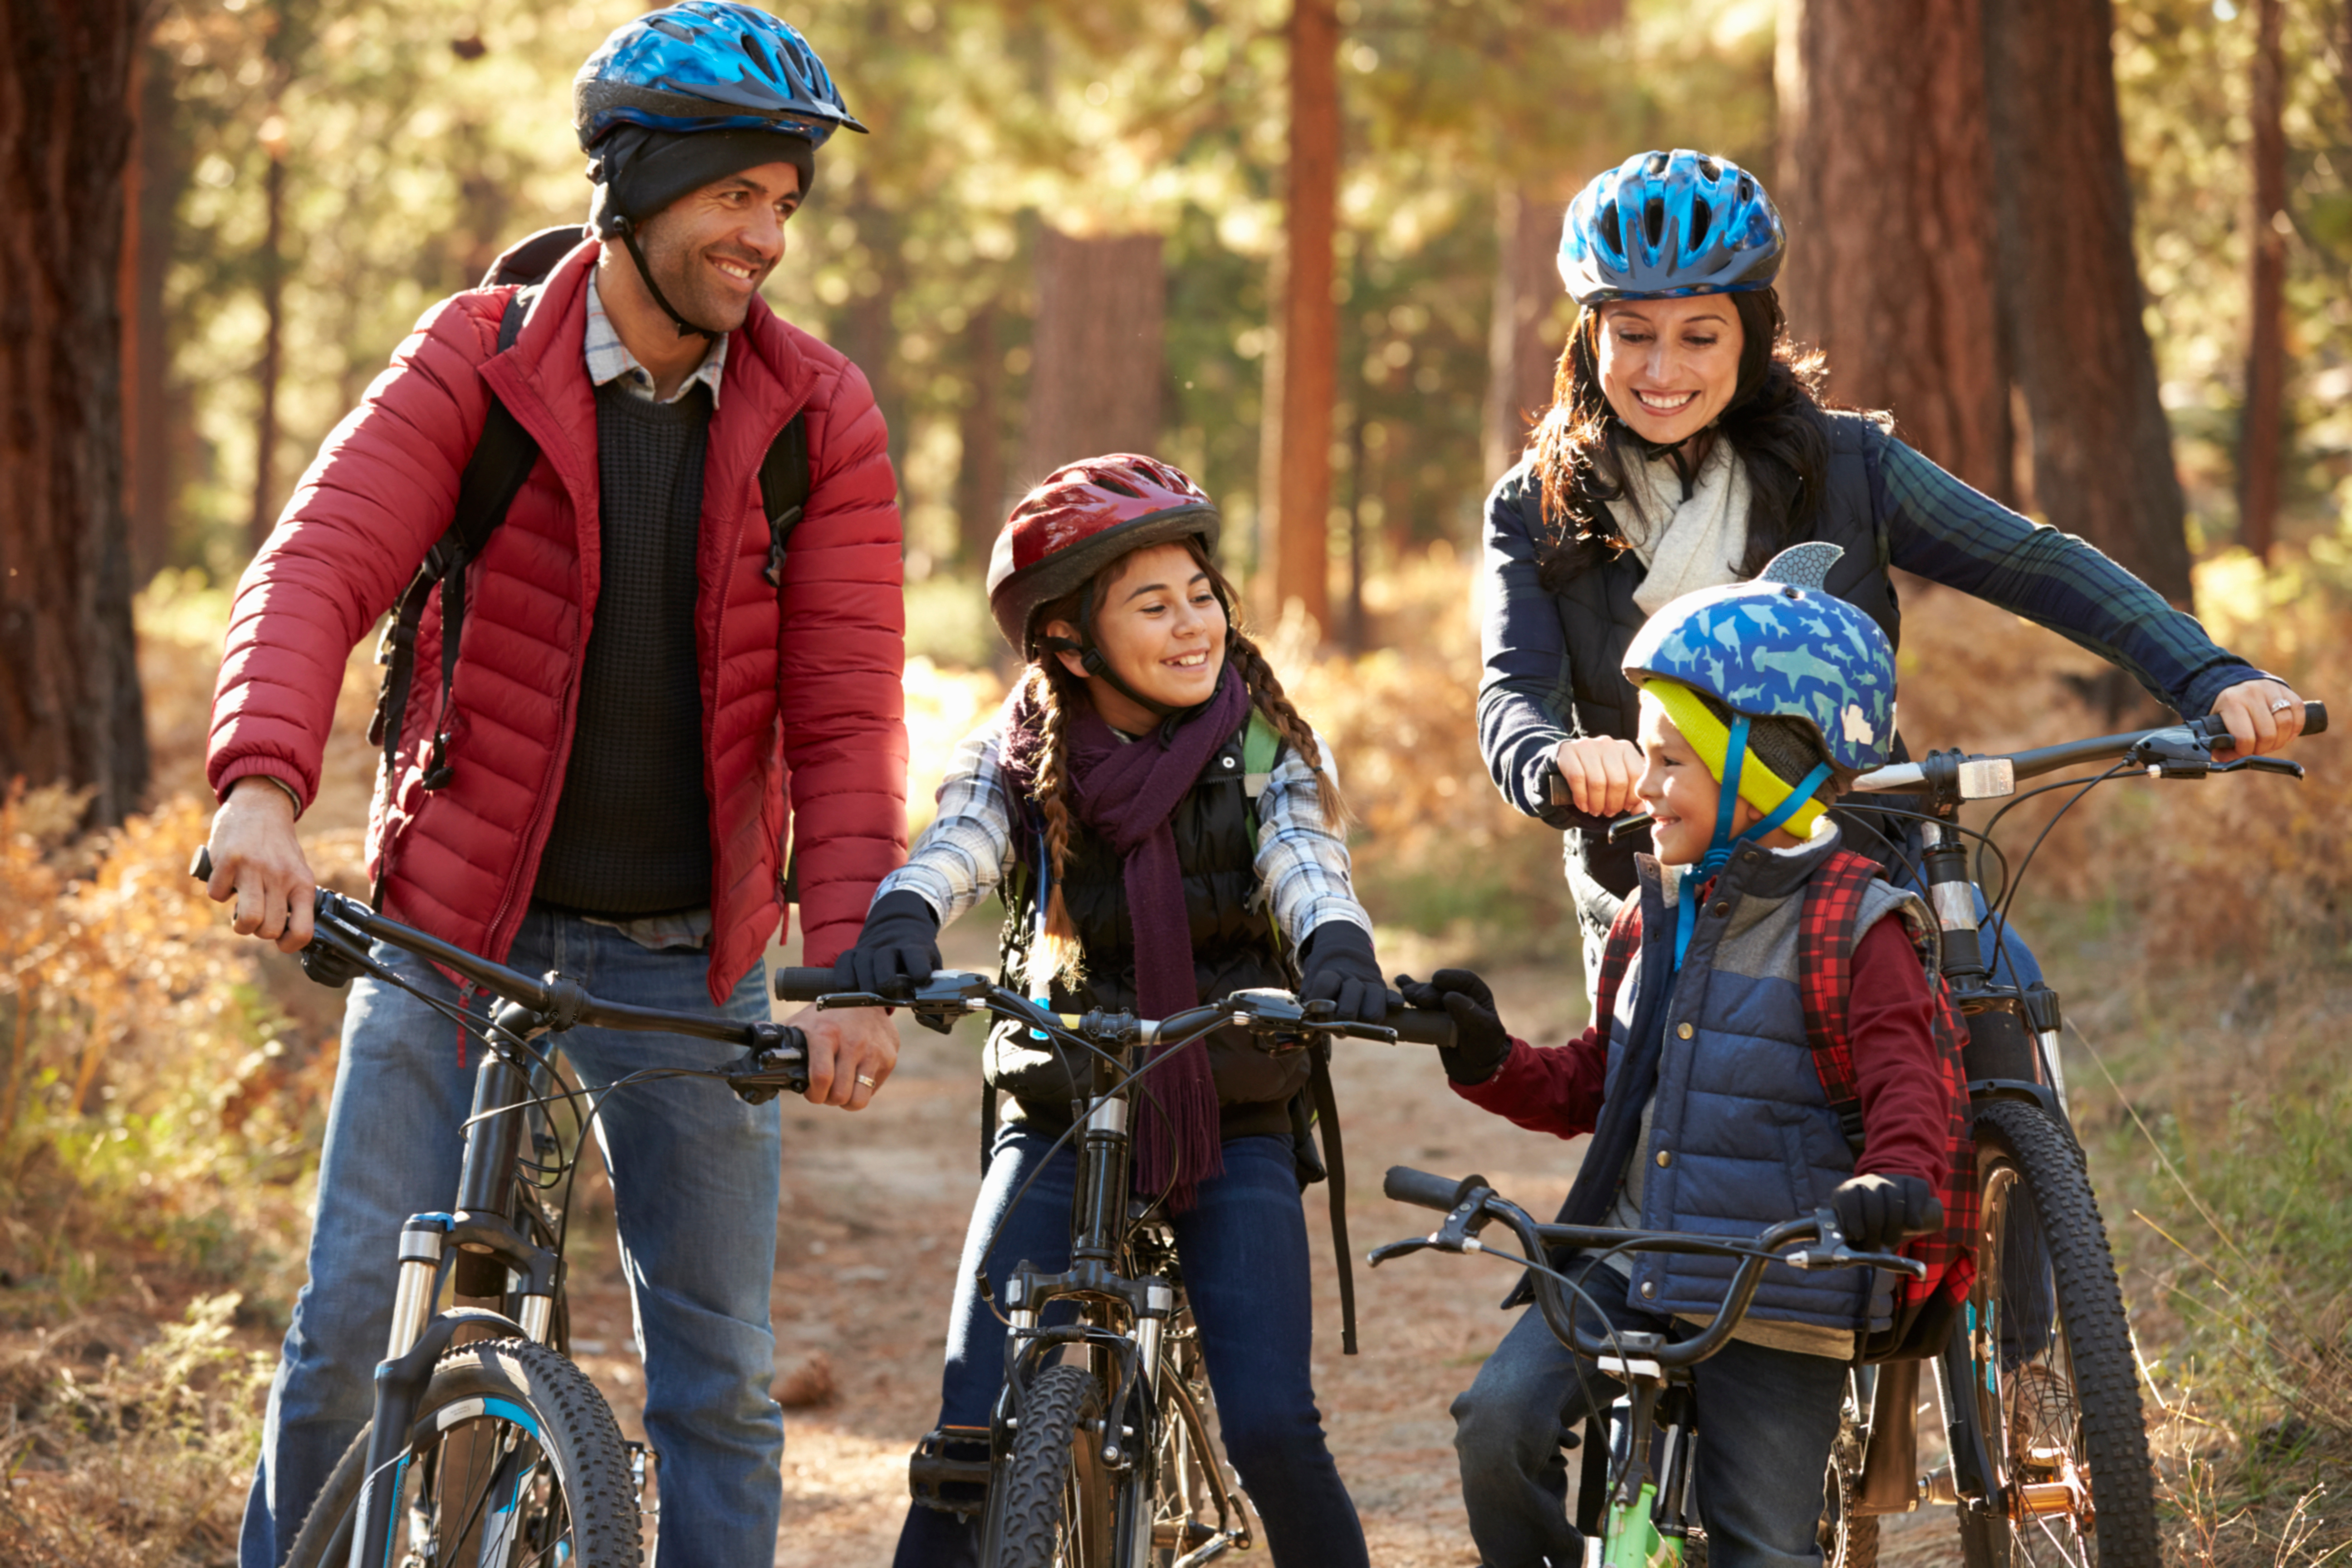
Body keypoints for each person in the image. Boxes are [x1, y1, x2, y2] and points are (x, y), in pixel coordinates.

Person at [201, 7, 906, 1563]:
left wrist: (846, 969)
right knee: (346, 1342)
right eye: (738, 195)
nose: (766, 238)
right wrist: (261, 782)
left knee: (715, 1384)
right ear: (640, 189)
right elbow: (319, 564)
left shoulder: (817, 416)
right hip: (459, 928)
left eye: (785, 203)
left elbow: (846, 716)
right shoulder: (481, 357)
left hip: (688, 956)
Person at [1478, 147, 2307, 980]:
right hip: (1654, 886)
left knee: (1998, 992)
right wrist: (1556, 762)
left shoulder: (1848, 465)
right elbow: (1516, 696)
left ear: (1751, 335)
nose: (1663, 372)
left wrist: (2207, 676)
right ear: (1592, 337)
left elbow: (2034, 564)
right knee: (1664, 1107)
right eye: (1633, 336)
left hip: (1863, 857)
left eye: (1700, 336)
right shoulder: (1535, 505)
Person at [835, 456, 1387, 1568]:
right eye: (1153, 605)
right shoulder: (1023, 745)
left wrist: (1338, 946)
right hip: (1058, 1095)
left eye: (1201, 595)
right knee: (965, 1436)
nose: (1193, 627)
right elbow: (962, 838)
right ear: (1071, 646)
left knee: (1277, 1427)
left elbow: (1304, 859)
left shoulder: (1263, 740)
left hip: (1230, 1100)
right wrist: (902, 915)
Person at [1411, 549, 1954, 1567]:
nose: (1643, 789)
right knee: (1497, 1427)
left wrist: (1894, 1179)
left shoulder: (1857, 923)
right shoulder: (1648, 915)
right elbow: (1595, 1087)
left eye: (1672, 762)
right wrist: (1486, 1057)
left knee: (1763, 1545)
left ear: (1760, 767)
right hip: (1625, 1258)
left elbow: (1905, 1088)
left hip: (1781, 1284)